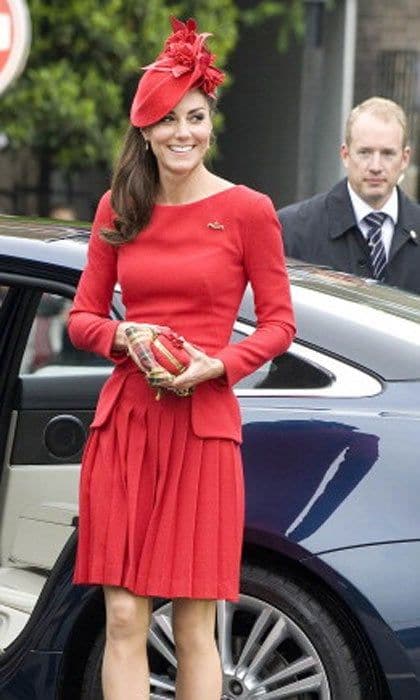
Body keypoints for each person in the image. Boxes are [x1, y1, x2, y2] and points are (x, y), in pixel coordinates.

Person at [68, 17, 295, 700]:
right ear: (144, 130)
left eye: (194, 117)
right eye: (166, 120)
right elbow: (81, 317)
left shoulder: (249, 211)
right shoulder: (120, 206)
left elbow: (280, 325)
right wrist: (124, 337)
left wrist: (218, 365)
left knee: (196, 625)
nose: (182, 133)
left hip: (203, 427)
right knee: (124, 615)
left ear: (209, 122)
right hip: (126, 428)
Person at [278, 96, 420, 295]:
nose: (376, 167)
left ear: (405, 158)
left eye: (388, 154)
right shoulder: (293, 230)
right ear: (345, 155)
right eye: (365, 152)